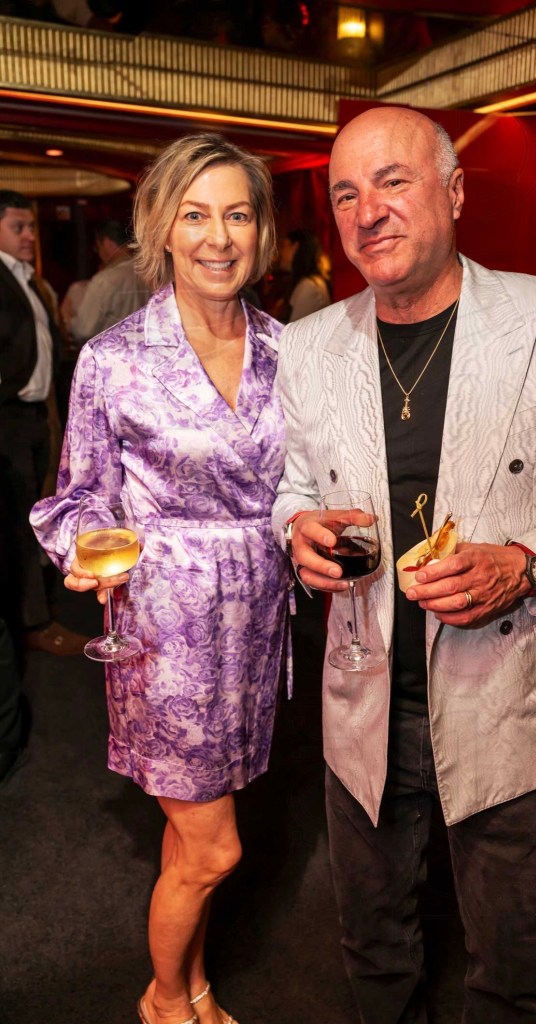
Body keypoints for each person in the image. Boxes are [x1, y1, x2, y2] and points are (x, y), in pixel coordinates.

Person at [272, 106, 536, 1024]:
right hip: (363, 696)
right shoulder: (308, 345)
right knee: (372, 949)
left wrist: (526, 562)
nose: (368, 213)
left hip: (509, 693)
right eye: (345, 194)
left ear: (453, 191)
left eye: (392, 182)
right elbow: (291, 485)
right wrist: (297, 530)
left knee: (511, 966)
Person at [31, 132, 290, 1024]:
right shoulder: (114, 359)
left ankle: (195, 982)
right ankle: (164, 1001)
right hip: (165, 629)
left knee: (191, 836)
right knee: (213, 847)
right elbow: (75, 500)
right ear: (163, 231)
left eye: (238, 214)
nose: (219, 236)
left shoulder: (293, 350)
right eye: (196, 215)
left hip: (258, 623)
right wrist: (78, 552)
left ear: (260, 233)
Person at [0, 188, 87, 656]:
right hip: (7, 418)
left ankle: (31, 618)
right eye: (19, 227)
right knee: (18, 523)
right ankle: (33, 624)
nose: (30, 235)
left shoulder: (30, 281)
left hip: (34, 416)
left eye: (31, 226)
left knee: (33, 516)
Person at [70, 218, 150, 343]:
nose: (99, 254)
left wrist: (68, 320)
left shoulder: (105, 280)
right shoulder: (152, 272)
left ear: (106, 242)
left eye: (97, 247)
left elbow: (83, 330)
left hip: (115, 356)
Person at [278, 228, 330, 322]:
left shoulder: (309, 286)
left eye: (284, 246)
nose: (280, 252)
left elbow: (295, 333)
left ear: (295, 247)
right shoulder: (309, 283)